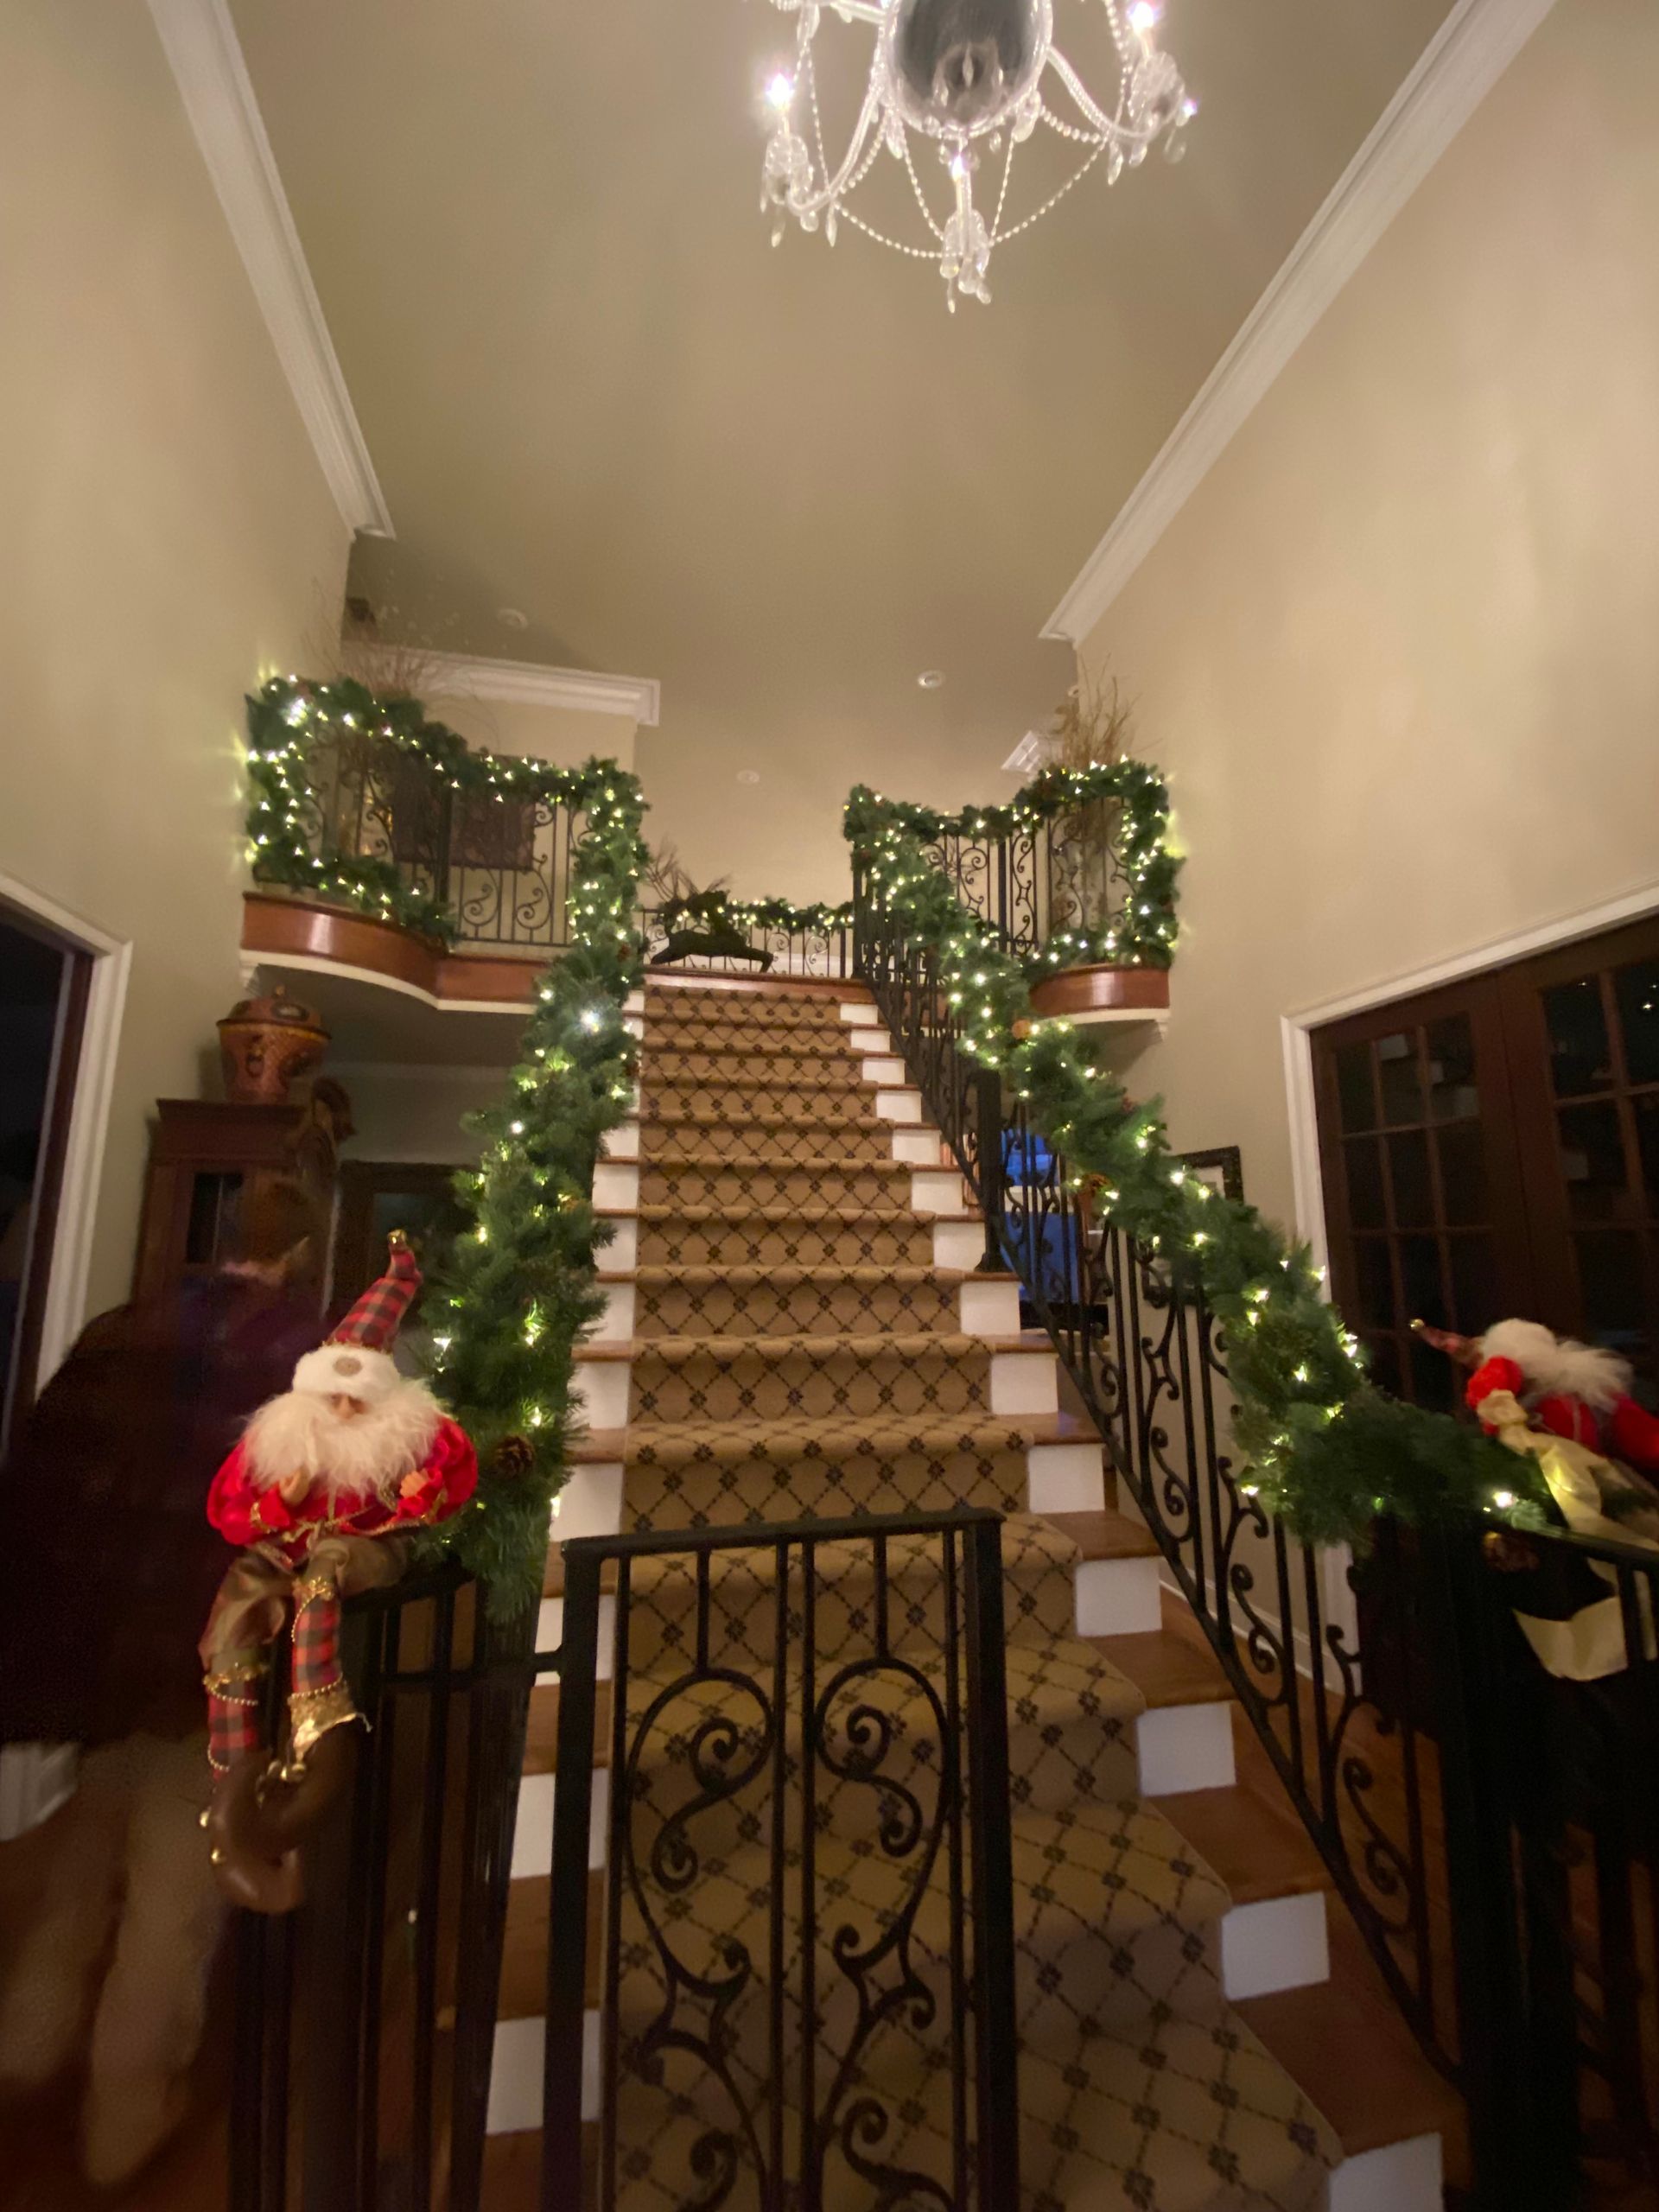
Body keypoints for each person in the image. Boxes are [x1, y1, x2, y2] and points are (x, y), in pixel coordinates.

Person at [0, 1176, 324, 2186]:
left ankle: (23, 2052)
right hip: (205, 1663)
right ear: (300, 1250)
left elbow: (39, 1491)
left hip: (98, 1654)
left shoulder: (114, 1331)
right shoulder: (299, 1363)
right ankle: (123, 2124)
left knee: (82, 1866)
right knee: (172, 1906)